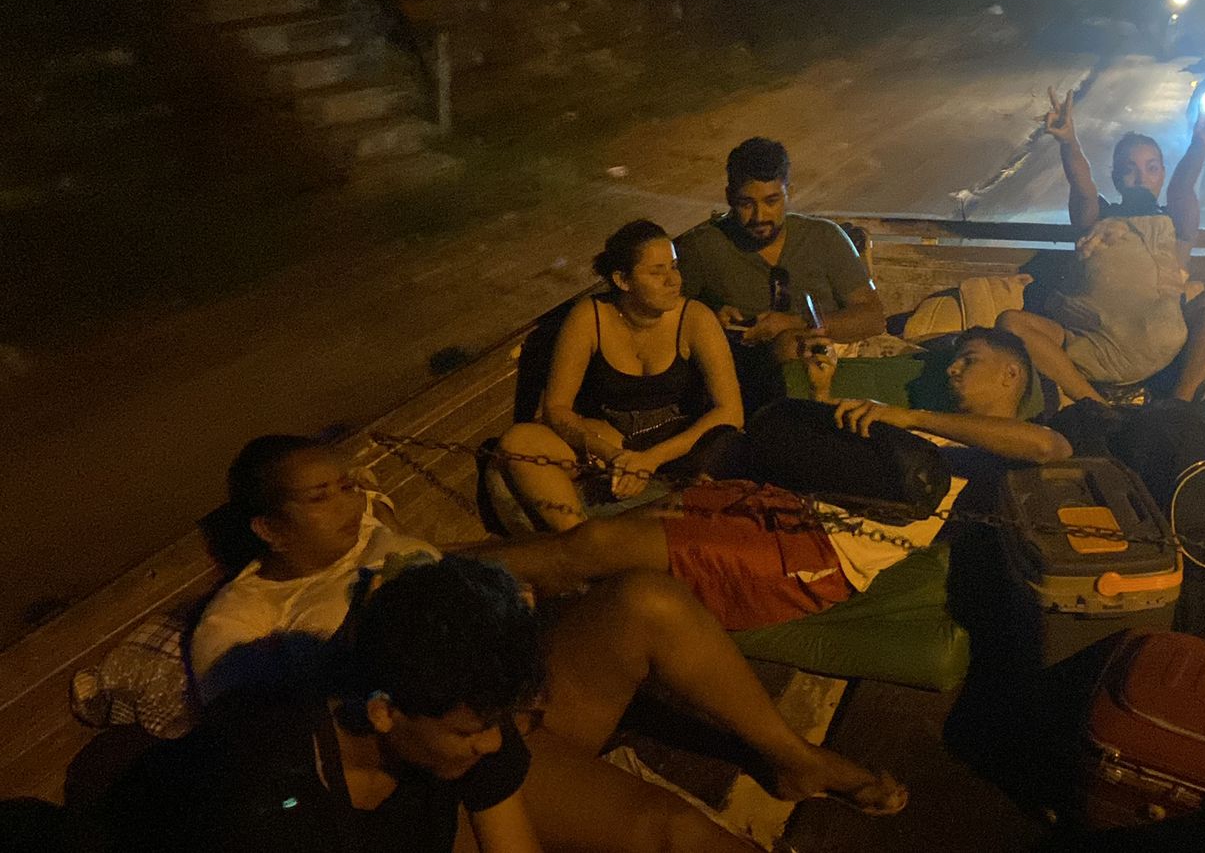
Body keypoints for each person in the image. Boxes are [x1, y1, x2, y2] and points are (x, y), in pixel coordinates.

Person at [186, 435, 908, 852]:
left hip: (503, 699)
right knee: (665, 829)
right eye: (321, 497)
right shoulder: (241, 624)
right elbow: (273, 740)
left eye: (349, 485)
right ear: (268, 528)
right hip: (432, 751)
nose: (351, 503)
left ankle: (794, 759)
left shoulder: (378, 536)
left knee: (644, 597)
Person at [475, 327, 1074, 632]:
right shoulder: (929, 425)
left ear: (1011, 375)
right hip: (769, 501)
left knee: (595, 546)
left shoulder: (1007, 446)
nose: (953, 369)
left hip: (817, 550)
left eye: (970, 359)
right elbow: (837, 460)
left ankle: (434, 571)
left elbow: (1050, 446)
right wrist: (822, 396)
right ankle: (465, 581)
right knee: (591, 549)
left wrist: (911, 417)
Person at [109, 558, 545, 852]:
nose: (492, 742)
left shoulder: (465, 702)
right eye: (468, 732)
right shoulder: (265, 792)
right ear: (383, 713)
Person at [996, 86, 1205, 403]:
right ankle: (1094, 404)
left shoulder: (1176, 226)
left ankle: (1181, 399)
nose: (1141, 177)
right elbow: (1082, 188)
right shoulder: (1096, 222)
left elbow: (1182, 188)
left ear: (1162, 174)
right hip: (1094, 346)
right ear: (1116, 177)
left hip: (1163, 346)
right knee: (1011, 323)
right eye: (1129, 169)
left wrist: (1199, 145)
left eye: (1152, 168)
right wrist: (1068, 142)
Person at [496, 220, 743, 530]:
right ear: (623, 280)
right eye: (657, 272)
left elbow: (730, 412)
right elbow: (557, 407)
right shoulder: (591, 316)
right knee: (519, 441)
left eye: (674, 267)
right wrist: (612, 455)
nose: (673, 281)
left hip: (677, 442)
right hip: (613, 439)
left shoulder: (694, 318)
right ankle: (578, 538)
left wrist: (650, 460)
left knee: (727, 450)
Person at [675, 137, 887, 347]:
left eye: (771, 201)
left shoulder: (824, 236)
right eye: (746, 204)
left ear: (789, 193)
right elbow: (669, 316)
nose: (759, 217)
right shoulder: (702, 246)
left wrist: (797, 324)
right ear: (729, 197)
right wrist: (709, 319)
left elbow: (873, 318)